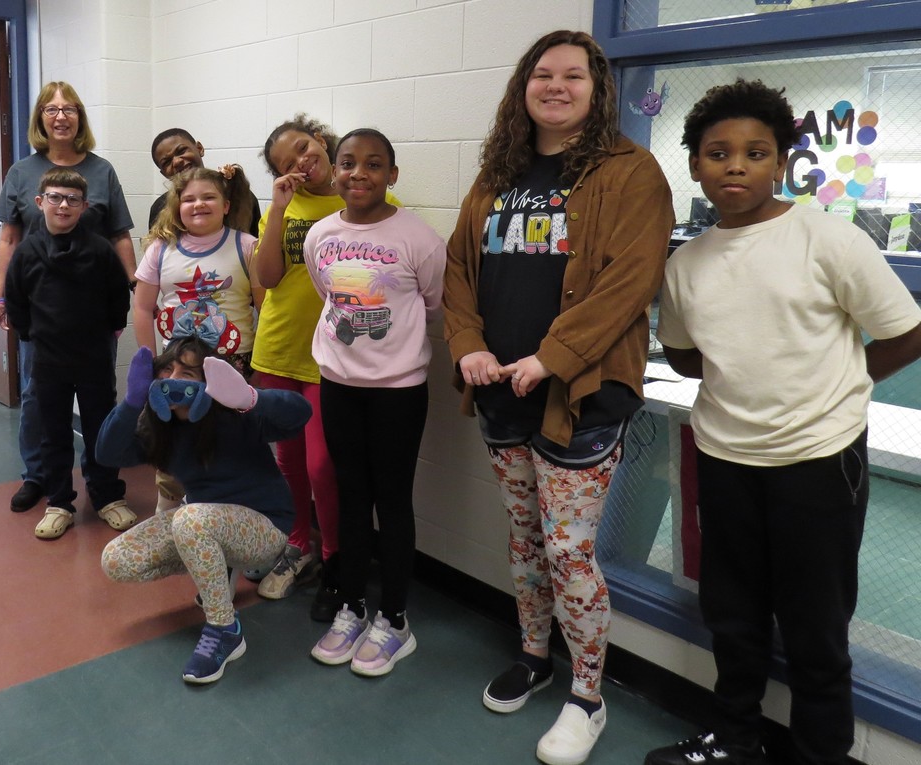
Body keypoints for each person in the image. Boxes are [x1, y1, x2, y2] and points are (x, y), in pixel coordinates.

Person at [645, 79, 921, 765]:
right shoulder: (688, 263)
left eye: (754, 152)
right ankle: (734, 739)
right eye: (717, 152)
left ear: (781, 162)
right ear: (696, 165)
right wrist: (746, 367)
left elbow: (905, 331)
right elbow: (681, 353)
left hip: (819, 462)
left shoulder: (828, 239)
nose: (735, 165)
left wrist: (838, 386)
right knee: (732, 616)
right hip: (726, 457)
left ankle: (819, 754)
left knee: (815, 627)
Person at [442, 30, 674, 765]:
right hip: (501, 395)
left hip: (579, 396)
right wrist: (468, 345)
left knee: (570, 550)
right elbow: (457, 271)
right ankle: (535, 654)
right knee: (524, 537)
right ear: (524, 87)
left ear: (597, 91)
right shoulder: (496, 173)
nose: (557, 86)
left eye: (574, 76)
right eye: (543, 74)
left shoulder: (630, 171)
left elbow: (630, 282)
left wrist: (552, 358)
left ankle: (587, 696)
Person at [304, 129, 445, 675]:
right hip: (338, 385)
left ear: (392, 174)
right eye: (347, 163)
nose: (358, 173)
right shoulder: (321, 234)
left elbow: (431, 302)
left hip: (397, 393)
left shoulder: (419, 238)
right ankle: (351, 607)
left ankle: (394, 619)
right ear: (334, 171)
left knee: (392, 498)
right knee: (349, 496)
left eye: (373, 164)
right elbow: (327, 293)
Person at [97, 337, 311, 684]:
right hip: (205, 525)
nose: (175, 378)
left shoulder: (231, 415)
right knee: (118, 560)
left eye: (189, 373)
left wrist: (250, 399)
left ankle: (225, 630)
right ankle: (219, 563)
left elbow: (301, 413)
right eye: (168, 369)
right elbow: (107, 454)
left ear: (207, 384)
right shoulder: (162, 429)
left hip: (264, 527)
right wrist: (132, 402)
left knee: (190, 517)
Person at [252, 114, 396, 620]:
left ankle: (335, 559)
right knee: (288, 461)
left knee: (321, 466)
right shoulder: (284, 207)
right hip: (277, 347)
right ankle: (300, 543)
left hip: (333, 357)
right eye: (286, 162)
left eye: (303, 146)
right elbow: (267, 277)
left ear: (320, 139)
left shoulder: (361, 195)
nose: (300, 161)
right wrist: (277, 207)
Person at [0, 81, 137, 518]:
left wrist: (135, 289)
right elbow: (9, 238)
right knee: (40, 399)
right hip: (41, 313)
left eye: (69, 108)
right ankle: (40, 478)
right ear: (40, 118)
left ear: (79, 118)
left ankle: (102, 484)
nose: (60, 115)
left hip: (92, 314)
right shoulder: (21, 171)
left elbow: (119, 235)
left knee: (97, 403)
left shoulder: (102, 170)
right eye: (51, 109)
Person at [4, 168, 132, 540]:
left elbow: (116, 297)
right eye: (56, 198)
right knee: (53, 432)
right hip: (48, 360)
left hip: (93, 357)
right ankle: (59, 502)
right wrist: (34, 336)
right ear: (40, 202)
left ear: (84, 205)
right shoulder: (27, 252)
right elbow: (16, 300)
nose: (64, 205)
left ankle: (107, 494)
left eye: (73, 199)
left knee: (99, 429)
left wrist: (107, 330)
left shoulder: (100, 250)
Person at [135, 167, 259, 515]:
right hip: (176, 370)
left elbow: (266, 310)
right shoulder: (161, 249)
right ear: (177, 207)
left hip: (234, 365)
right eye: (188, 199)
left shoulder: (247, 246)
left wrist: (260, 368)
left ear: (226, 204)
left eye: (208, 197)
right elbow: (143, 308)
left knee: (230, 443)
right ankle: (168, 514)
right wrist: (149, 365)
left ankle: (232, 522)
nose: (198, 204)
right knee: (173, 444)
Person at [148, 128, 261, 235]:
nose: (177, 161)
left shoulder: (240, 196)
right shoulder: (160, 208)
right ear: (164, 173)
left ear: (199, 148)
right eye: (166, 162)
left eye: (181, 151)